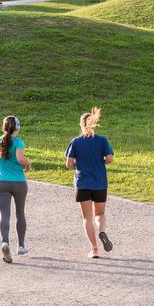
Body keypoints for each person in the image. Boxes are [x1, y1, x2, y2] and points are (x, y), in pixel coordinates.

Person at [65, 106, 115, 258]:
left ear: (81, 125)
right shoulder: (102, 140)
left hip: (83, 183)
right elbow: (110, 158)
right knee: (99, 213)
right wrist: (102, 162)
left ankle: (94, 249)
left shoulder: (76, 142)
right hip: (100, 182)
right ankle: (101, 231)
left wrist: (77, 164)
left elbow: (68, 163)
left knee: (87, 218)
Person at [0, 115, 31, 263]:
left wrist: (1, 165)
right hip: (19, 182)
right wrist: (28, 163)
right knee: (20, 213)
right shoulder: (18, 142)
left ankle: (5, 242)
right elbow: (19, 159)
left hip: (1, 182)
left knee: (4, 214)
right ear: (17, 128)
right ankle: (21, 246)